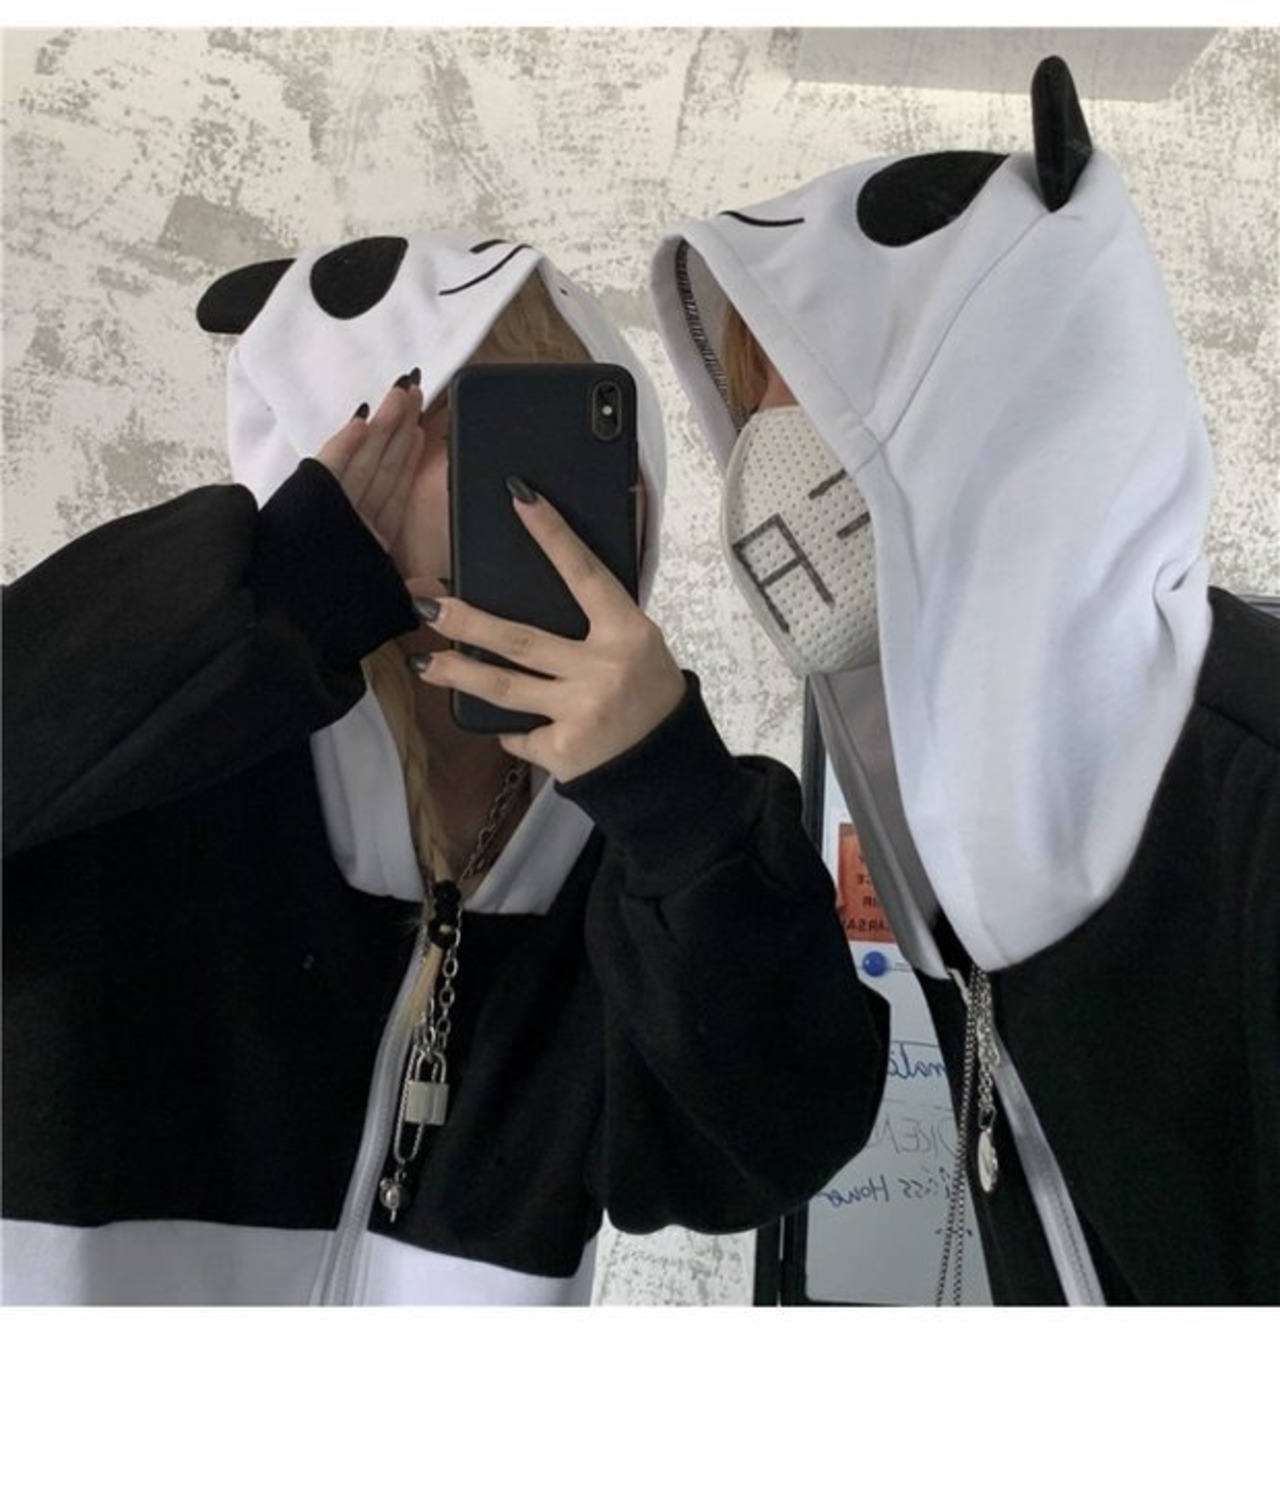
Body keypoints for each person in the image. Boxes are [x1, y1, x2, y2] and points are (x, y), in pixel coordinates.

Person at [2, 231, 889, 1305]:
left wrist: (673, 799)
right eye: (474, 426)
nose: (536, 495)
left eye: (594, 444)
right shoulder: (157, 746)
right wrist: (275, 597)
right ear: (344, 437)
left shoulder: (638, 861)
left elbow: (770, 1151)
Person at [648, 57, 1279, 1304]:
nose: (763, 455)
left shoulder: (1253, 794)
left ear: (1011, 395)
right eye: (751, 395)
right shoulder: (954, 818)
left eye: (826, 385)